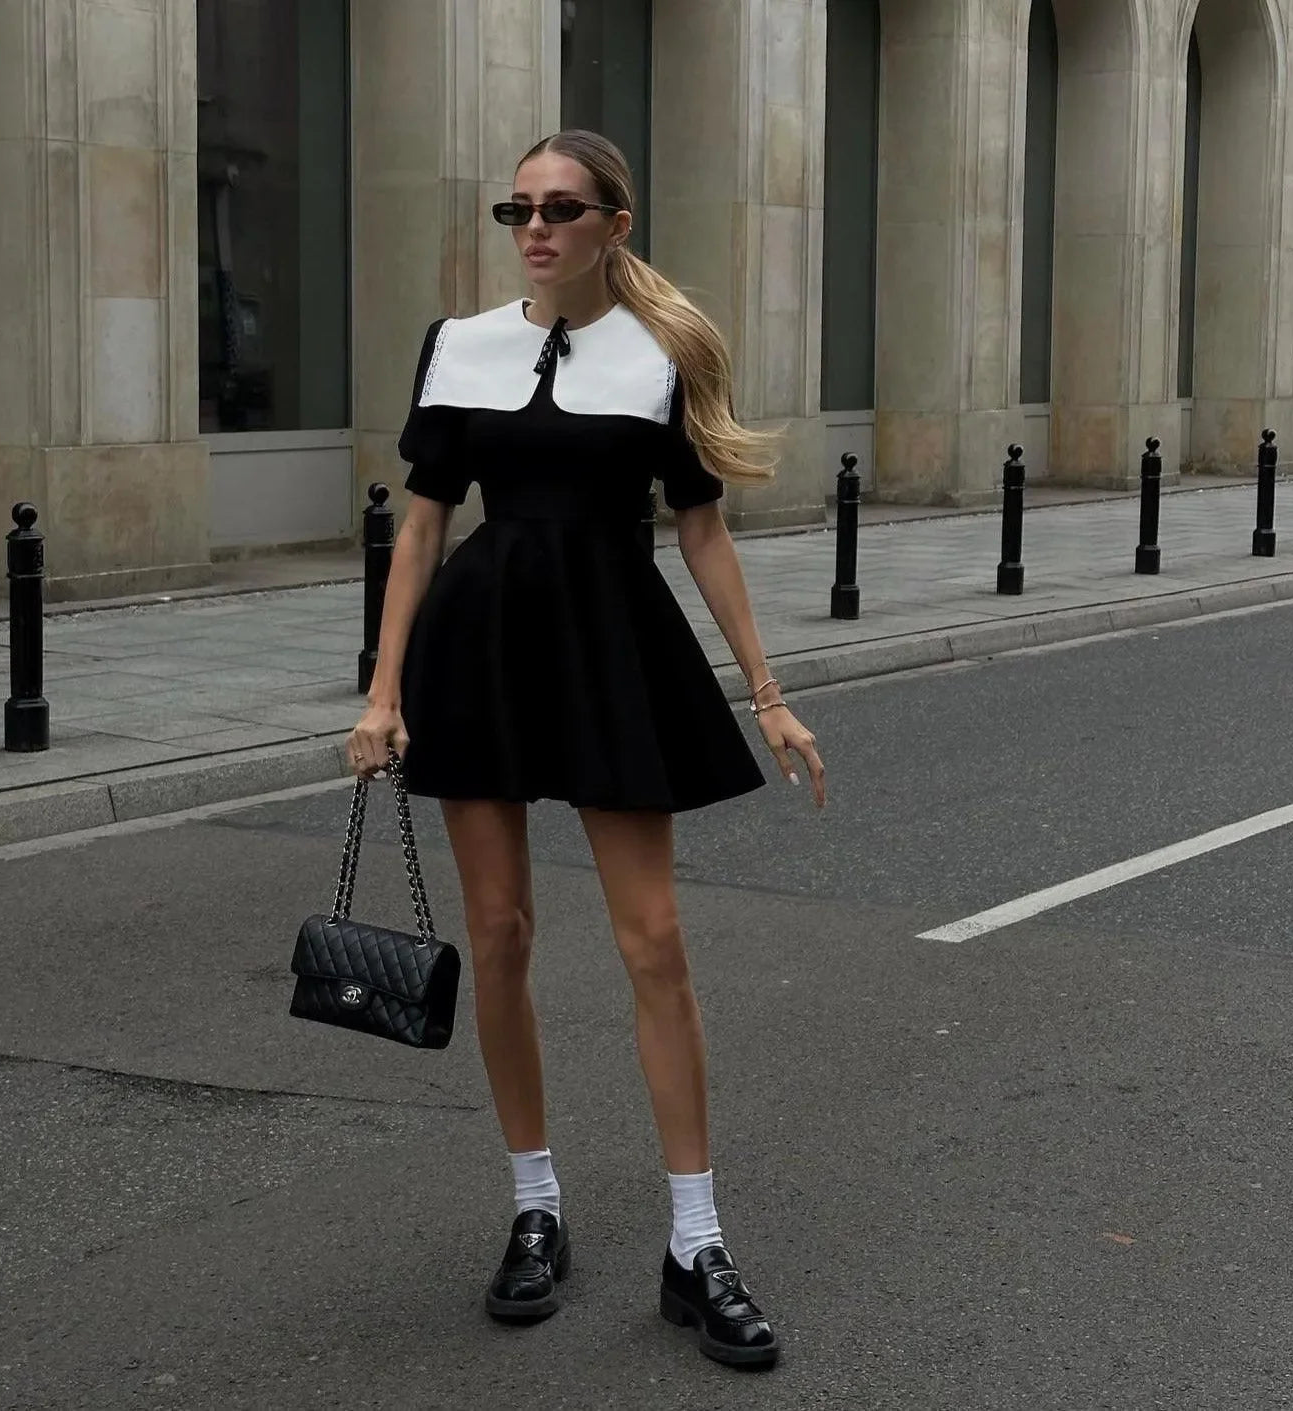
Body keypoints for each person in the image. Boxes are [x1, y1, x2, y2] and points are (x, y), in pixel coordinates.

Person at [347, 129, 825, 1370]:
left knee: (652, 941)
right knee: (499, 932)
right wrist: (381, 690)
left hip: (611, 645)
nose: (535, 227)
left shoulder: (660, 356)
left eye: (560, 208)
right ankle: (535, 1205)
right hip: (482, 645)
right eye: (518, 208)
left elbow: (704, 533)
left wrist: (768, 693)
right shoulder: (460, 346)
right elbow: (419, 530)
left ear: (614, 221)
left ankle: (695, 1241)